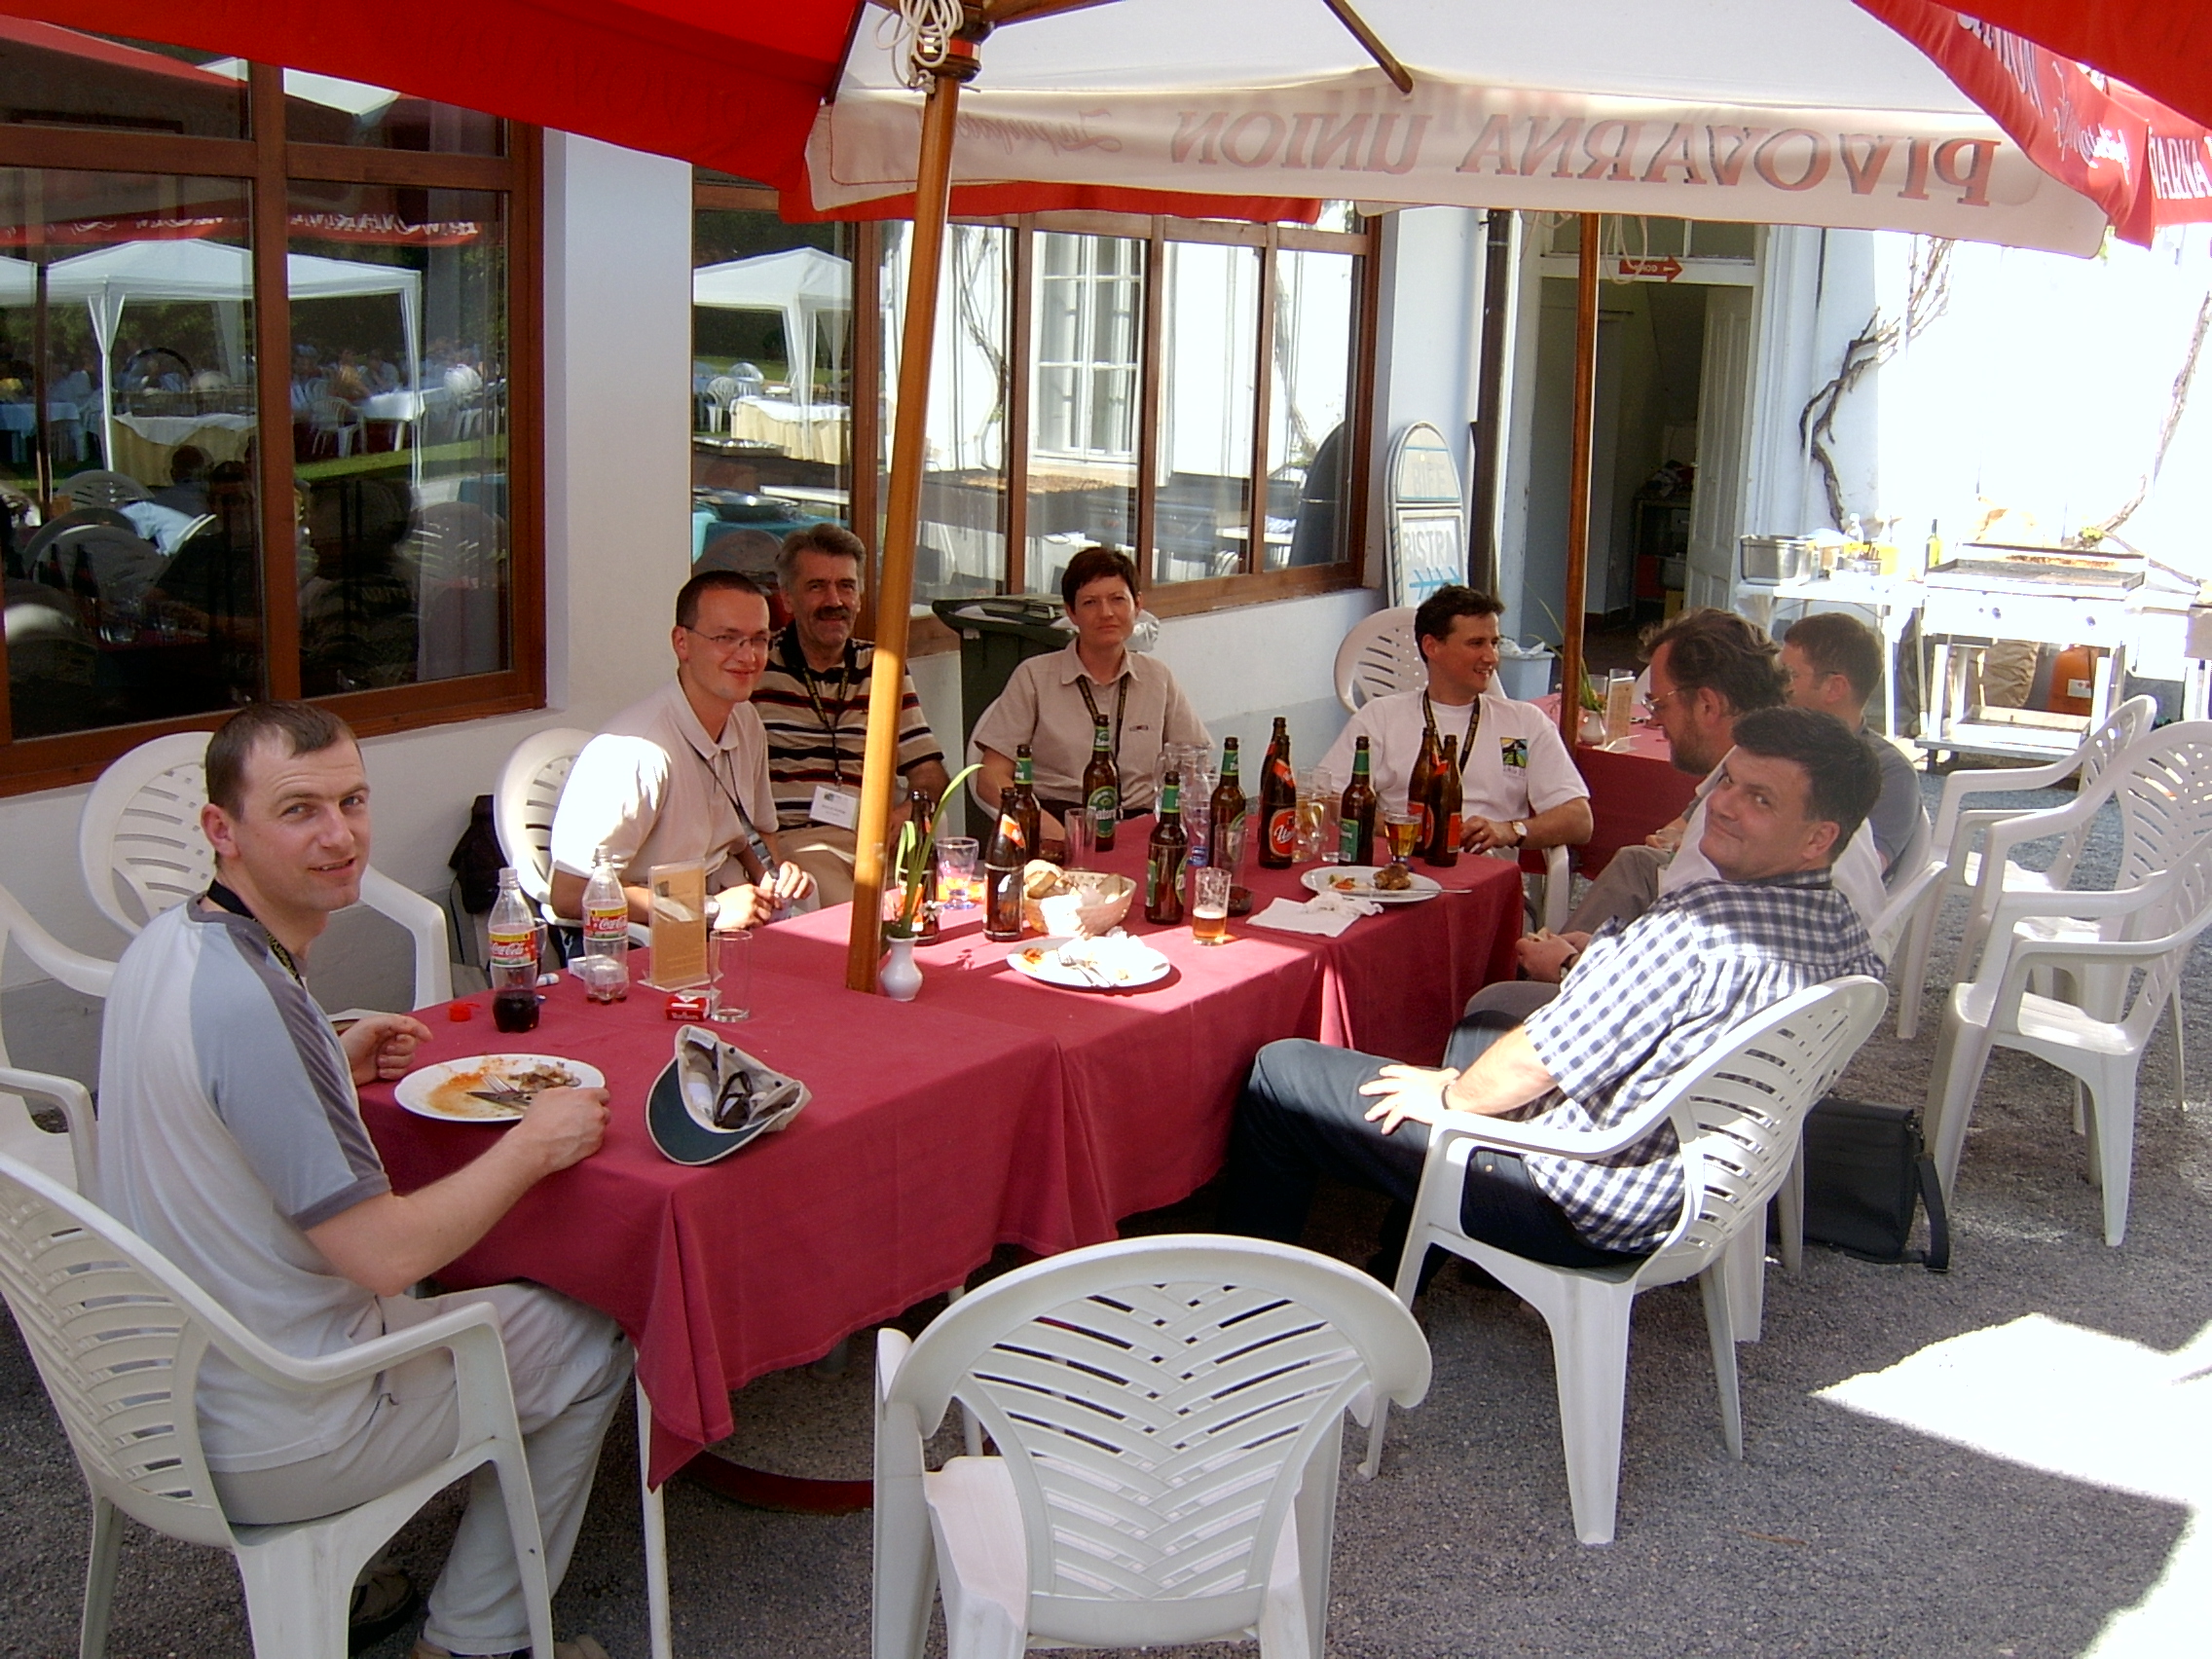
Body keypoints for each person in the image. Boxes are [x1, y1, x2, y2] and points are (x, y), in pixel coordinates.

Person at [94, 702, 628, 1659]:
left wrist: (328, 1067)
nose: (339, 836)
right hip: (282, 1418)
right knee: (594, 1331)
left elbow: (214, 1109)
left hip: (150, 1394)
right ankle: (478, 1639)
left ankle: (368, 1575)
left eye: (352, 802)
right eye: (299, 810)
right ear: (222, 829)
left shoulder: (168, 946)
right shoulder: (254, 1004)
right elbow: (387, 1257)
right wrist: (534, 1142)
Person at [1217, 706, 1885, 1272]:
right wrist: (1601, 958)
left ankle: (1246, 1302)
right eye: (1730, 782)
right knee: (1486, 1023)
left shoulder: (1698, 929)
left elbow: (1536, 1062)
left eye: (1760, 799)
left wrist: (1447, 1096)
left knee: (1282, 1071)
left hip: (1579, 1197)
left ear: (1818, 838)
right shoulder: (1847, 936)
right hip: (1698, 1190)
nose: (1725, 806)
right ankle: (1407, 1265)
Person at [1520, 608, 1885, 984]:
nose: (1655, 720)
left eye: (1659, 705)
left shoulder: (1727, 825)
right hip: (1823, 993)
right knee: (1638, 861)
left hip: (1744, 998)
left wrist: (1572, 964)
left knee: (1500, 1000)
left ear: (1709, 705)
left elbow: (1671, 975)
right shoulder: (1812, 776)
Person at [550, 570, 814, 930]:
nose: (748, 656)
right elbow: (569, 894)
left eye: (759, 639)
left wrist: (772, 875)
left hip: (728, 911)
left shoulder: (746, 719)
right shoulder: (637, 752)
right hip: (653, 936)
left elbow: (757, 834)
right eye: (727, 638)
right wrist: (708, 909)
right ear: (681, 643)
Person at [751, 524, 951, 906]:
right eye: (817, 587)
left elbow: (929, 772)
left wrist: (908, 808)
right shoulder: (758, 669)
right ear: (788, 598)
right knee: (860, 919)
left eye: (846, 586)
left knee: (929, 905)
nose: (835, 601)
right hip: (801, 841)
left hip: (877, 838)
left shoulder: (882, 666)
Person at [1315, 585, 1592, 861]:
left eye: (1494, 643)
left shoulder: (1523, 723)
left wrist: (1511, 830)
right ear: (1432, 647)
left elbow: (1580, 820)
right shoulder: (1381, 716)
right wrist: (1394, 826)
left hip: (1486, 870)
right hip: (1402, 866)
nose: (1491, 657)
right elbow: (1326, 796)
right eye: (1476, 643)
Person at [969, 545, 1209, 836]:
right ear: (1071, 612)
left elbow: (1197, 765)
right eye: (1090, 602)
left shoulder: (1158, 678)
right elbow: (990, 777)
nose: (1106, 613)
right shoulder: (1033, 677)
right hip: (1059, 822)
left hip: (1141, 827)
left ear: (1137, 605)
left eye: (1117, 599)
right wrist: (1049, 829)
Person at [1782, 610, 1931, 878]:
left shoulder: (1889, 773)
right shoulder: (1767, 745)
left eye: (1790, 675)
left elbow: (1856, 877)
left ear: (1834, 688)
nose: (1779, 685)